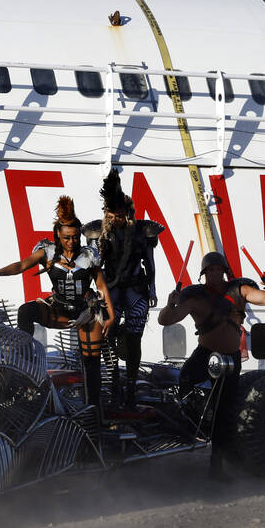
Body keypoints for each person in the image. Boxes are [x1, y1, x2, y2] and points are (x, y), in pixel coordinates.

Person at [157, 251, 265, 478]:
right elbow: (165, 320)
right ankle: (189, 427)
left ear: (224, 271)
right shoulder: (195, 297)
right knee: (184, 382)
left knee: (224, 410)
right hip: (205, 354)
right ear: (204, 274)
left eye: (218, 270)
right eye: (210, 270)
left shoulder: (240, 291)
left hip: (230, 358)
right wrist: (169, 305)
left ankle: (217, 464)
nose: (214, 274)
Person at [0, 196, 115, 408]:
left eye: (75, 237)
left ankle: (94, 410)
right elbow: (21, 265)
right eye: (67, 238)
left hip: (86, 313)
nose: (71, 242)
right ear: (58, 235)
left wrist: (111, 315)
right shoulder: (47, 252)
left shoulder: (88, 256)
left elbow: (101, 286)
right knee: (26, 311)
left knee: (91, 361)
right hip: (59, 310)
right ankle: (24, 360)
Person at [97, 169, 165, 406]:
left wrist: (153, 289)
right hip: (113, 287)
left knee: (134, 338)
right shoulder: (103, 234)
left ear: (127, 212)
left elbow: (150, 261)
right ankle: (115, 382)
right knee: (109, 333)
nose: (116, 218)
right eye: (111, 214)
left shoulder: (142, 232)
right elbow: (98, 264)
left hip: (135, 287)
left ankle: (131, 387)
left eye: (119, 214)